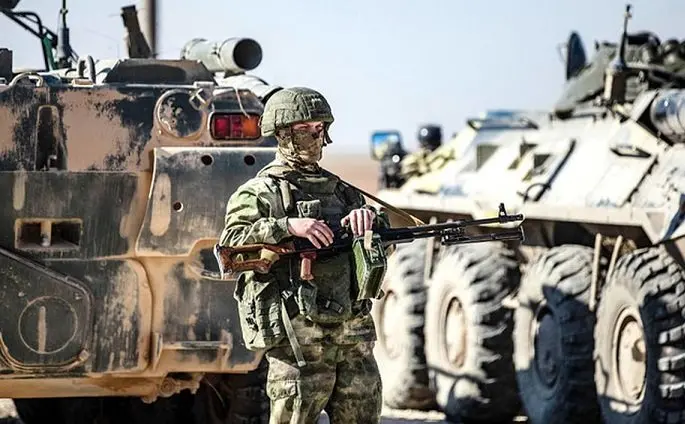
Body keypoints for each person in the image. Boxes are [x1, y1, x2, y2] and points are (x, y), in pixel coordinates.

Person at [219, 86, 389, 424]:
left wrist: (369, 220)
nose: (314, 136)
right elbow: (231, 247)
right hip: (298, 338)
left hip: (352, 335)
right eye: (303, 129)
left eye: (319, 128)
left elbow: (384, 243)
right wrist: (287, 227)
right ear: (282, 133)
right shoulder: (260, 192)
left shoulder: (343, 191)